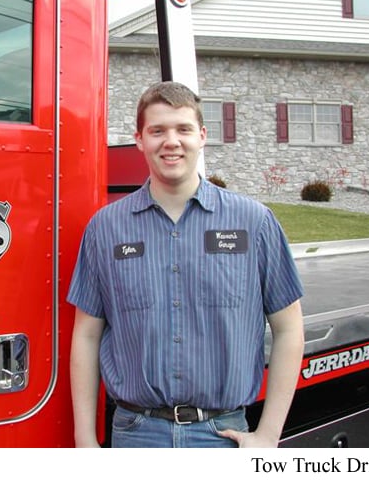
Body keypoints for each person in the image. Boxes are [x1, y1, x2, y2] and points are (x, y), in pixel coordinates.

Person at [68, 81, 304, 448]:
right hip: (136, 436)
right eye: (157, 131)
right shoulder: (106, 228)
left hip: (221, 436)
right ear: (139, 139)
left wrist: (269, 434)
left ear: (202, 136)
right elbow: (86, 335)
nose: (171, 142)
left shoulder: (254, 222)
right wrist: (84, 437)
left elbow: (289, 329)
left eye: (183, 129)